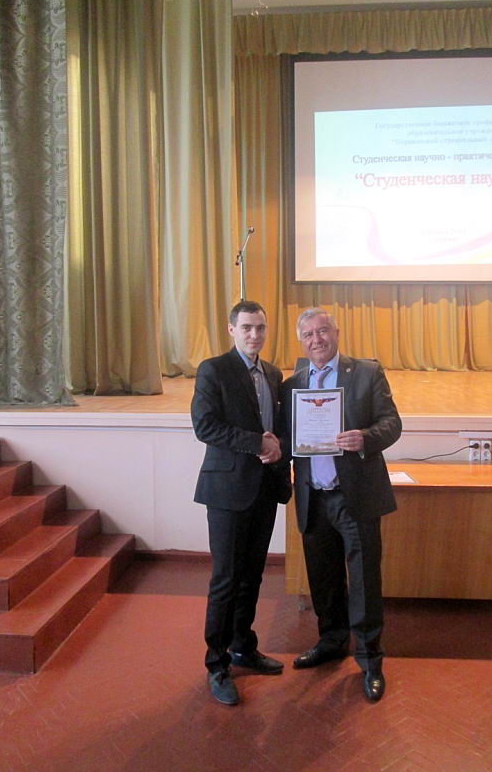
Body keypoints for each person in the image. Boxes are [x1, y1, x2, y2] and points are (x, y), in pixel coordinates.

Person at [283, 307, 402, 701]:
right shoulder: (294, 383)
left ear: (336, 332)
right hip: (313, 497)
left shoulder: (366, 373)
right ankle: (331, 641)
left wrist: (365, 438)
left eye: (323, 331)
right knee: (323, 578)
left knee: (364, 579)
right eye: (308, 335)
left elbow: (392, 423)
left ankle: (369, 658)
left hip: (355, 497)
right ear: (301, 341)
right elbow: (288, 438)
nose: (316, 340)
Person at [191, 300, 292, 705]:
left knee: (252, 576)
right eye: (247, 327)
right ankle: (216, 664)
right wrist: (257, 444)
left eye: (260, 328)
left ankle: (243, 648)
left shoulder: (274, 374)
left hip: (264, 488)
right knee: (226, 579)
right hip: (228, 491)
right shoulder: (213, 369)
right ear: (231, 329)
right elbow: (205, 426)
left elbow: (277, 428)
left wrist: (280, 446)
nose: (254, 335)